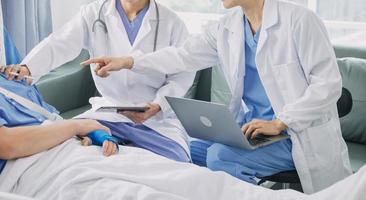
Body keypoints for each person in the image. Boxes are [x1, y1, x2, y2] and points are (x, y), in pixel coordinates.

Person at [81, 0, 352, 194]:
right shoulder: (227, 27)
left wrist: (281, 122)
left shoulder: (300, 21)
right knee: (186, 149)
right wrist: (127, 61)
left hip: (295, 135)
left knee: (222, 157)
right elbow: (182, 56)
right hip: (252, 128)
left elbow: (328, 85)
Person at [3, 0, 195, 162]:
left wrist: (158, 105)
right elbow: (59, 43)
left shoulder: (172, 23)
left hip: (156, 120)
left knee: (175, 160)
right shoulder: (94, 13)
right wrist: (28, 68)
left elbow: (182, 76)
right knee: (70, 151)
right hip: (109, 112)